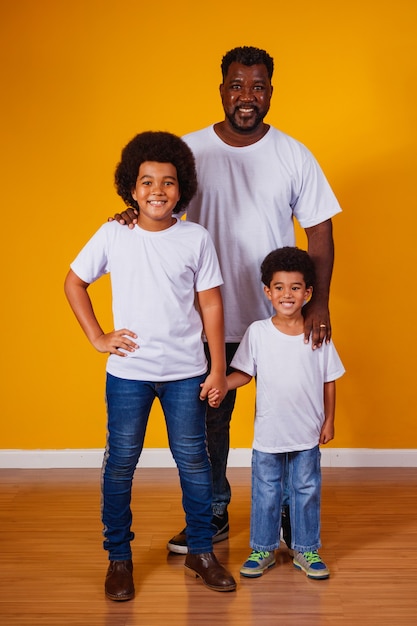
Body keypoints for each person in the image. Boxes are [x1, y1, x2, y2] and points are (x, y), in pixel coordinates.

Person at [111, 46, 342, 555]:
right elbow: (156, 202)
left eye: (258, 87)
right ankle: (214, 513)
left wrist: (318, 304)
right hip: (205, 317)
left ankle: (286, 518)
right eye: (237, 85)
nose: (247, 97)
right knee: (211, 418)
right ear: (221, 89)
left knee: (290, 413)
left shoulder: (293, 154)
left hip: (279, 317)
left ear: (270, 93)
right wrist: (129, 214)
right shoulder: (189, 152)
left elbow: (320, 230)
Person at [64, 131, 236, 601]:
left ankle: (202, 552)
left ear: (182, 189)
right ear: (131, 188)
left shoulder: (195, 238)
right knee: (120, 465)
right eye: (146, 181)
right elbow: (74, 282)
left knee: (194, 464)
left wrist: (217, 369)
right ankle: (118, 559)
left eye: (168, 182)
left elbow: (212, 306)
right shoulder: (113, 233)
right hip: (128, 376)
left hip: (186, 372)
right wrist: (98, 337)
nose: (157, 190)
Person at [208, 247, 345, 579]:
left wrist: (329, 420)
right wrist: (223, 384)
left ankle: (306, 549)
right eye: (279, 287)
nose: (288, 294)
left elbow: (329, 381)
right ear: (268, 292)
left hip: (307, 434)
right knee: (266, 491)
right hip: (269, 434)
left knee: (306, 490)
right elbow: (244, 373)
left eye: (296, 287)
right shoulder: (258, 332)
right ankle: (263, 548)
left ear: (308, 292)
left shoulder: (318, 334)